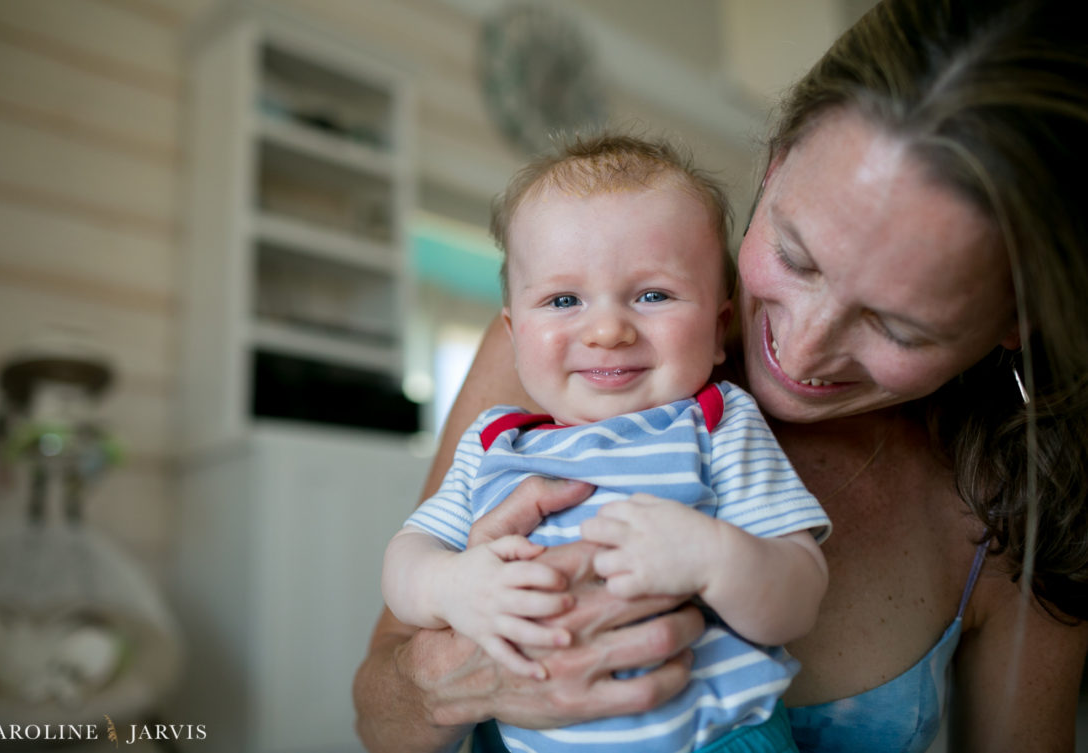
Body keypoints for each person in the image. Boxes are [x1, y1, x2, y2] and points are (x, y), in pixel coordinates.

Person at [353, 0, 1088, 751]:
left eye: (898, 325)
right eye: (797, 257)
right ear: (775, 163)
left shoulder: (1019, 510)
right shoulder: (562, 368)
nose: (799, 353)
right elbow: (379, 712)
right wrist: (452, 663)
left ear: (1015, 323)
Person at [381, 134, 831, 753]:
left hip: (715, 739)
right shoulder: (494, 446)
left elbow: (799, 595)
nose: (608, 329)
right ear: (513, 334)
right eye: (564, 300)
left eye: (653, 295)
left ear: (718, 326)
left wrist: (713, 558)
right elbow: (405, 562)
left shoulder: (716, 424)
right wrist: (454, 587)